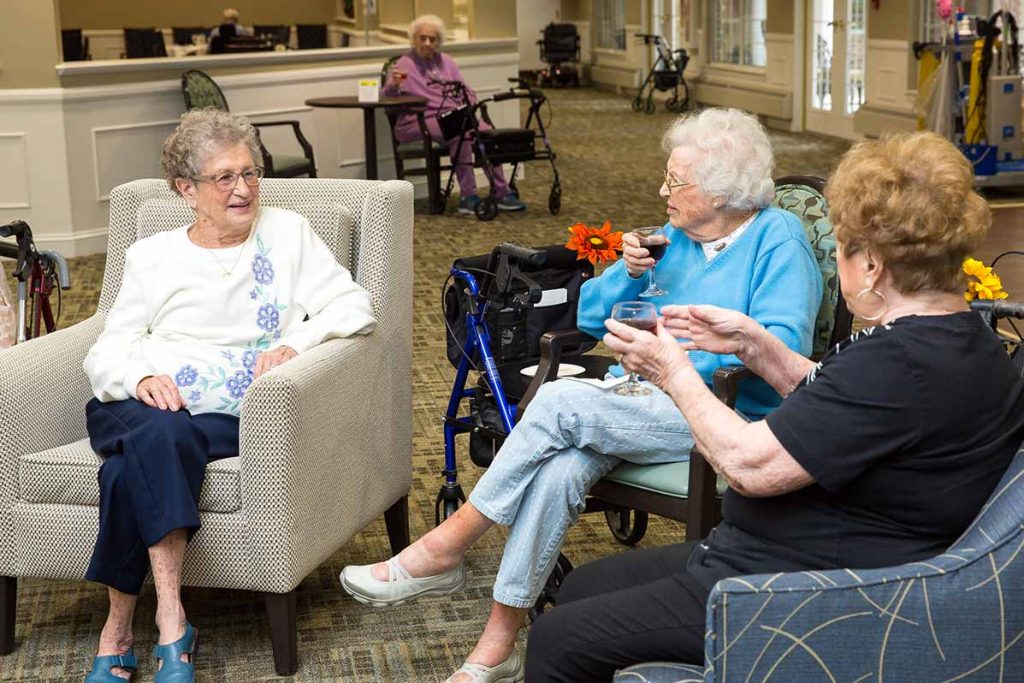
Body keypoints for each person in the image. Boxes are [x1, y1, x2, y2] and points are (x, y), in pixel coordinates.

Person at [340, 108, 823, 683]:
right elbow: (591, 316)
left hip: (724, 413)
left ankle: (447, 546)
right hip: (641, 399)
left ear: (723, 194)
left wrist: (677, 364)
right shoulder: (673, 239)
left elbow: (780, 356)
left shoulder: (778, 241)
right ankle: (496, 646)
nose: (661, 191)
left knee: (561, 404)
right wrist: (627, 271)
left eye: (676, 182)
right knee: (561, 466)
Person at [523, 131, 1024, 680]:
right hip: (782, 554)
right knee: (581, 587)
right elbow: (847, 403)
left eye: (842, 245)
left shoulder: (897, 363)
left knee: (556, 637)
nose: (836, 254)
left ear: (874, 266)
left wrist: (673, 370)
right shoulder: (964, 339)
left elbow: (749, 466)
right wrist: (756, 346)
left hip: (794, 591)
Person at [82, 109, 376, 683]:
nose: (243, 190)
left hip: (228, 414)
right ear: (185, 189)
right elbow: (107, 349)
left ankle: (121, 630)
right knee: (158, 428)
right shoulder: (152, 257)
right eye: (224, 178)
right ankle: (171, 621)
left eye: (250, 173)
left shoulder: (288, 234)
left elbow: (354, 307)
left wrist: (296, 342)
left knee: (130, 468)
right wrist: (139, 379)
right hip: (136, 404)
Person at [382, 14, 527, 214]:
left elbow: (466, 90)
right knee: (460, 132)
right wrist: (394, 85)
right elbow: (386, 97)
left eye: (432, 39)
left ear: (438, 42)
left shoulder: (447, 62)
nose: (427, 43)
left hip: (452, 116)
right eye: (422, 38)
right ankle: (468, 196)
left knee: (486, 132)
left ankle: (501, 191)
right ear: (414, 40)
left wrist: (469, 103)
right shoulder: (404, 64)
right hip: (417, 121)